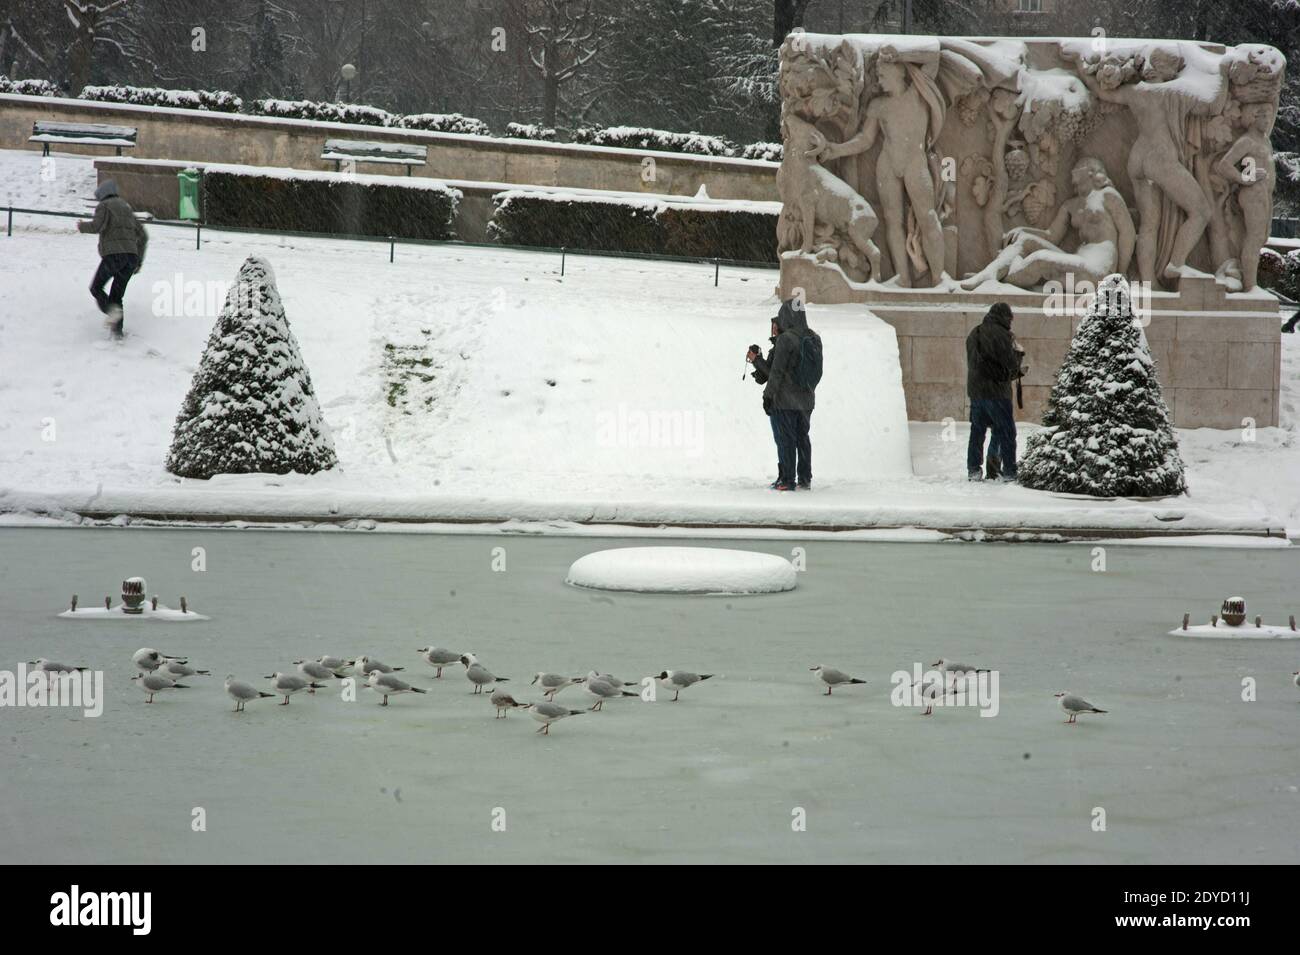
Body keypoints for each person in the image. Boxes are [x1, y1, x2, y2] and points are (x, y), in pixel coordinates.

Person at [747, 299, 819, 490]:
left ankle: (787, 480)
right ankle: (805, 478)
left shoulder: (786, 339)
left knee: (786, 440)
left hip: (785, 401)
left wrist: (768, 396)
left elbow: (776, 373)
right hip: (806, 400)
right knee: (802, 438)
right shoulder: (813, 337)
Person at [77, 179, 148, 337]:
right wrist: (138, 260)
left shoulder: (104, 206)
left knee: (96, 288)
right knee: (117, 296)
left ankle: (111, 312)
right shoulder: (126, 207)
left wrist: (82, 226)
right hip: (130, 258)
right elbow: (143, 235)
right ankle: (117, 335)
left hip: (114, 256)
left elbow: (97, 226)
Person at [965, 302, 1023, 482]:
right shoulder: (1003, 335)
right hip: (997, 392)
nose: (1011, 323)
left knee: (977, 431)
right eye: (1010, 319)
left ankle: (974, 470)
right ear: (1005, 317)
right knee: (1006, 431)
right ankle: (1009, 472)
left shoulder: (975, 332)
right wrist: (1019, 353)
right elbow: (1010, 363)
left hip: (976, 391)